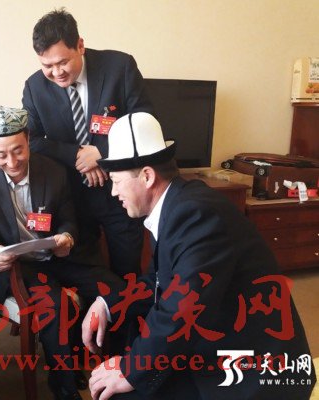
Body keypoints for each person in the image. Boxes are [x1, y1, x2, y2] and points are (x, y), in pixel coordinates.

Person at [81, 113, 316, 399]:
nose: (113, 191)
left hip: (254, 373)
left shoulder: (195, 214)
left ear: (147, 176)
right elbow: (158, 280)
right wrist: (107, 304)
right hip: (215, 343)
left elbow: (181, 308)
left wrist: (130, 370)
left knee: (122, 389)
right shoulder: (177, 203)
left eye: (116, 181)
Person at [0, 106, 124, 400]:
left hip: (57, 256)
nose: (12, 162)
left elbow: (68, 219)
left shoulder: (53, 170)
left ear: (28, 139)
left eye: (18, 150)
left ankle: (123, 366)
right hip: (18, 264)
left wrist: (66, 237)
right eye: (1, 155)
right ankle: (64, 387)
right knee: (56, 305)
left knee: (117, 288)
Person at [22, 8, 155, 279]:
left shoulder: (119, 68)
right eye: (47, 66)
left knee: (127, 272)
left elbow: (145, 123)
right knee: (87, 276)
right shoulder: (35, 88)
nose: (56, 72)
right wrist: (78, 155)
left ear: (80, 45)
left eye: (62, 62)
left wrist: (102, 153)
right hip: (72, 199)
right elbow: (31, 141)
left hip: (120, 194)